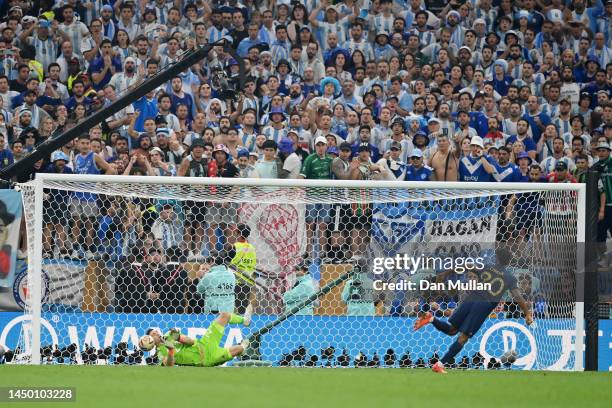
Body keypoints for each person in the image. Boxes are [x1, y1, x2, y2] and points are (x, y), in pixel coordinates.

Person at [413, 245, 533, 374]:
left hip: (470, 299)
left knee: (452, 330)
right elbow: (518, 296)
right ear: (509, 261)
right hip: (483, 305)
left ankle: (430, 318)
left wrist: (446, 273)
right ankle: (439, 365)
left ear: (497, 258)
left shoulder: (486, 267)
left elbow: (467, 266)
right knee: (463, 338)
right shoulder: (510, 277)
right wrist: (527, 314)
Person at [138, 310, 252, 367]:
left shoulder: (170, 334)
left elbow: (190, 341)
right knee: (238, 349)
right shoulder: (160, 353)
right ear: (151, 342)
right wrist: (170, 350)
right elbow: (169, 365)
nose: (157, 332)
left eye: (156, 331)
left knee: (224, 316)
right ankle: (243, 349)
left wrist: (175, 337)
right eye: (153, 333)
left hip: (204, 343)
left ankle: (245, 320)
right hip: (206, 359)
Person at [229, 224, 257, 314]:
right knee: (242, 309)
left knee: (231, 309)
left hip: (234, 280)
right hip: (247, 281)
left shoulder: (234, 247)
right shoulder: (252, 248)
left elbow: (226, 262)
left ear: (237, 233)